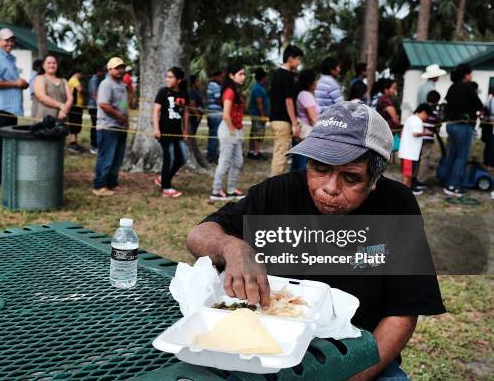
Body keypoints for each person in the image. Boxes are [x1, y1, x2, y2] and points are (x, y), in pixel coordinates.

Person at [186, 101, 445, 380]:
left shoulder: (396, 206)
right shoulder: (278, 192)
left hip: (356, 356)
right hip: (269, 349)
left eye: (351, 177)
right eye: (320, 169)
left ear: (374, 179)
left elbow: (402, 315)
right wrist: (232, 247)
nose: (329, 189)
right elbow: (198, 235)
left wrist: (352, 377)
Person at [0, 28, 29, 187]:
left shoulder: (9, 58)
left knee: (7, 145)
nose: (10, 43)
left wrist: (20, 83)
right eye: (6, 40)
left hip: (10, 108)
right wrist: (16, 83)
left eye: (12, 40)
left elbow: (8, 80)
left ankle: (5, 176)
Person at [442, 64, 482, 197]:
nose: (471, 76)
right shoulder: (468, 87)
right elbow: (479, 105)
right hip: (463, 126)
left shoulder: (452, 87)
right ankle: (453, 186)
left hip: (451, 125)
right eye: (471, 74)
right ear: (466, 75)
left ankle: (447, 182)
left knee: (452, 155)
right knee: (461, 157)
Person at [92, 57, 129, 197]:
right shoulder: (106, 84)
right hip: (108, 127)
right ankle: (99, 185)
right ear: (109, 69)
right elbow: (103, 104)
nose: (121, 70)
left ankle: (112, 183)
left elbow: (123, 105)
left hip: (120, 127)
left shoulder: (122, 86)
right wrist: (119, 117)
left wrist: (125, 118)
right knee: (106, 157)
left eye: (122, 67)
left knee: (117, 158)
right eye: (117, 67)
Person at [210, 63, 247, 201]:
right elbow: (226, 115)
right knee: (225, 161)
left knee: (238, 161)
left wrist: (238, 131)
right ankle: (216, 191)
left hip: (236, 130)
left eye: (244, 74)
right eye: (240, 74)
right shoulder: (229, 92)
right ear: (232, 76)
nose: (243, 77)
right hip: (228, 130)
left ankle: (231, 189)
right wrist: (233, 131)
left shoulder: (235, 90)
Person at [153, 67, 189, 198]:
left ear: (179, 80)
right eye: (167, 76)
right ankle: (166, 187)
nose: (167, 79)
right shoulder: (163, 92)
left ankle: (163, 178)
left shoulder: (184, 93)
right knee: (169, 158)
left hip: (177, 132)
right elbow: (156, 110)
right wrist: (156, 129)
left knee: (182, 158)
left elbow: (185, 112)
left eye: (171, 77)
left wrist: (185, 130)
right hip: (165, 132)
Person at [269, 45, 303, 176]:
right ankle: (273, 188)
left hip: (275, 119)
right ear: (290, 58)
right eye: (298, 59)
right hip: (282, 120)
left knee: (280, 153)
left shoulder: (277, 74)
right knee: (280, 156)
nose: (299, 62)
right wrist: (294, 123)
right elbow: (289, 101)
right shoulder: (287, 75)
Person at [399, 104, 432, 195]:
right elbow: (416, 134)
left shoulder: (410, 118)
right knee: (407, 176)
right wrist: (426, 133)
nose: (426, 118)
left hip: (406, 152)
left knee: (407, 175)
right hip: (410, 153)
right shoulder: (417, 120)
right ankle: (403, 194)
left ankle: (406, 192)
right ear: (424, 112)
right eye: (427, 116)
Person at [293, 69, 320, 171]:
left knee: (299, 162)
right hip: (308, 134)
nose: (317, 82)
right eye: (316, 80)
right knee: (303, 165)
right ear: (310, 82)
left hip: (305, 133)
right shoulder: (306, 95)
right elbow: (312, 117)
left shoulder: (305, 94)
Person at [32, 54, 72, 121]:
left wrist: (64, 110)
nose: (51, 65)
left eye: (54, 63)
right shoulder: (39, 78)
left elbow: (70, 98)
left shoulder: (64, 80)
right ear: (43, 66)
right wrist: (61, 105)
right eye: (49, 63)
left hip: (61, 118)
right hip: (43, 119)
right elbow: (42, 97)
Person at [416, 90, 442, 187]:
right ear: (437, 101)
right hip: (428, 137)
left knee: (417, 157)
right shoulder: (435, 111)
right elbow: (437, 124)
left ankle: (414, 176)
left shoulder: (422, 108)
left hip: (418, 137)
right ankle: (421, 181)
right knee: (425, 158)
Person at [376, 78, 401, 161]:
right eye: (393, 88)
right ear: (386, 89)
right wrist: (399, 124)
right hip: (386, 131)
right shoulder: (385, 101)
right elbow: (395, 119)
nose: (395, 91)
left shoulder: (381, 99)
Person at [247, 68, 269, 161]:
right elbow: (259, 102)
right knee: (258, 134)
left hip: (256, 114)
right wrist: (262, 115)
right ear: (263, 77)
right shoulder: (258, 88)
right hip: (258, 115)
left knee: (254, 133)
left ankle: (252, 151)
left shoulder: (259, 87)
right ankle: (256, 152)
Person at [206, 69, 225, 163]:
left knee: (213, 135)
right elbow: (219, 99)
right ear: (216, 76)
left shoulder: (211, 85)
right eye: (222, 77)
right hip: (216, 115)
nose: (223, 79)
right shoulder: (215, 86)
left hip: (213, 114)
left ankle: (211, 154)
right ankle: (212, 156)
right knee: (215, 135)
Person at [66, 68, 86, 153]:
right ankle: (72, 143)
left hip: (76, 106)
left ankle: (75, 142)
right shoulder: (74, 80)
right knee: (74, 124)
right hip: (75, 106)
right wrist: (84, 90)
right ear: (76, 73)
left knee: (76, 125)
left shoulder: (72, 80)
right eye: (80, 74)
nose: (81, 76)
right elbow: (80, 89)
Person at [88, 66, 105, 155]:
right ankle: (93, 146)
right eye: (102, 71)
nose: (103, 73)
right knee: (95, 126)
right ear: (98, 71)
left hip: (95, 106)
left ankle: (97, 144)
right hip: (94, 106)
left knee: (97, 126)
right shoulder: (95, 79)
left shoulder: (97, 79)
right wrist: (100, 104)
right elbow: (95, 93)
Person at [482, 86, 494, 170]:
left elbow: (484, 110)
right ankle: (490, 164)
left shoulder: (489, 100)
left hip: (488, 124)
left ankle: (487, 163)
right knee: (492, 145)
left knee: (489, 145)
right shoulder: (491, 100)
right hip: (492, 125)